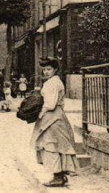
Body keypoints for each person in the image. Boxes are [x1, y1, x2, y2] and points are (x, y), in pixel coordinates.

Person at [31, 57, 78, 188]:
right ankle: (60, 175)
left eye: (49, 69)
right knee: (57, 145)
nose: (46, 72)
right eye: (44, 69)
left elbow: (50, 104)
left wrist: (40, 112)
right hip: (56, 116)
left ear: (55, 70)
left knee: (52, 145)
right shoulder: (54, 81)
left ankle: (58, 177)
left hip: (52, 117)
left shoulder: (52, 83)